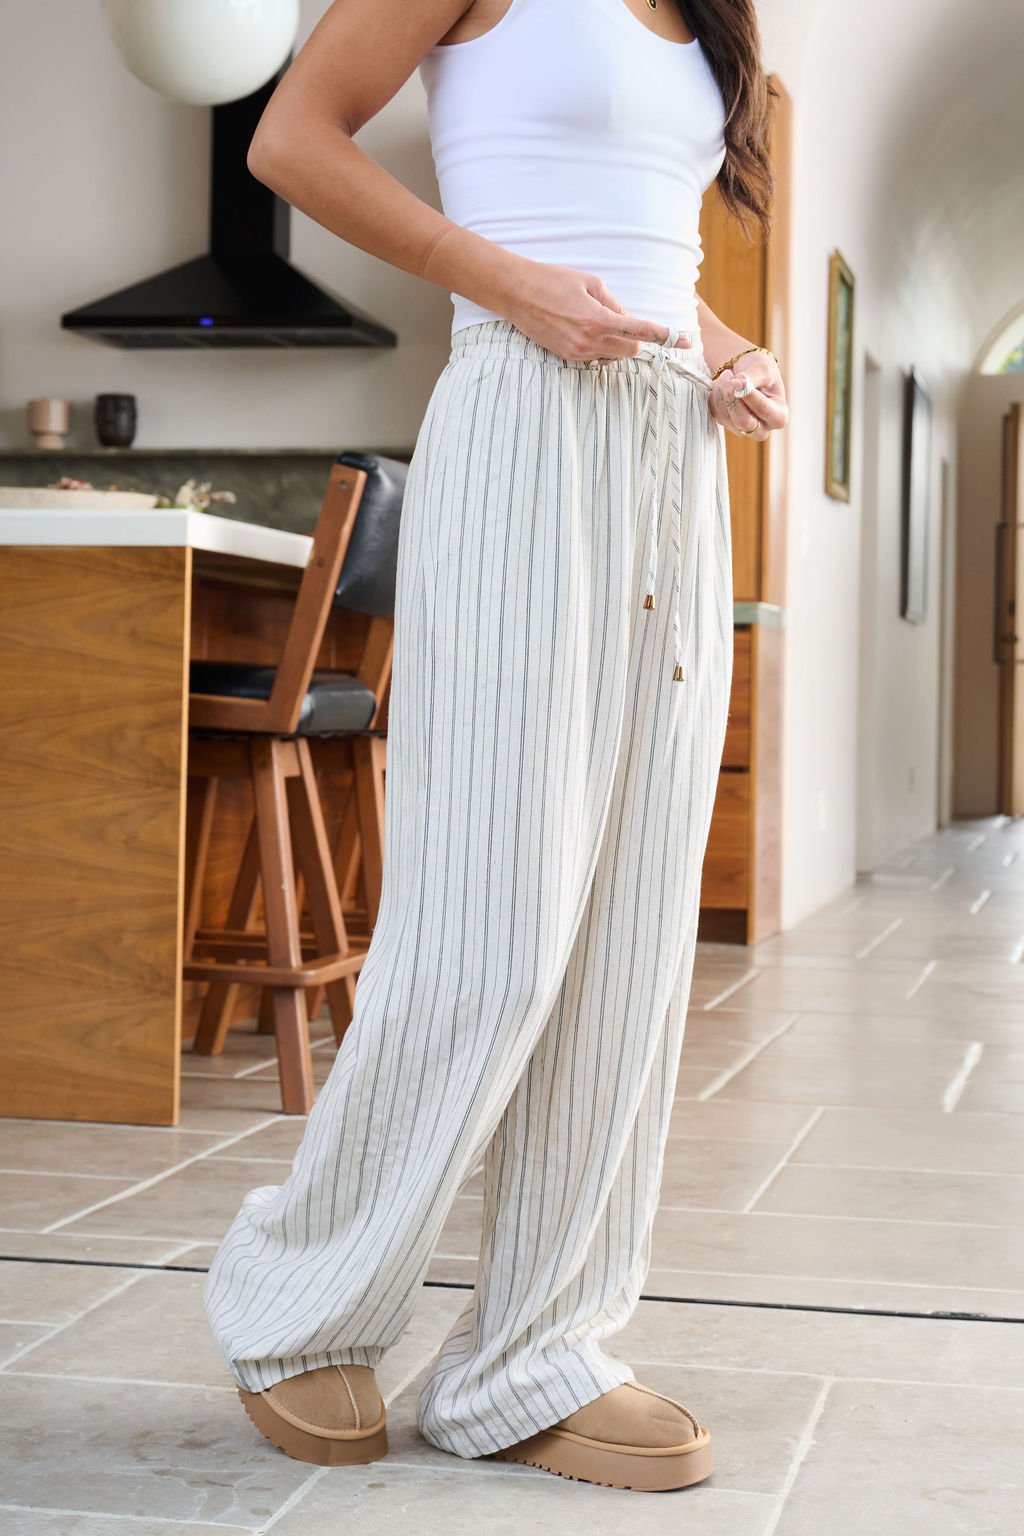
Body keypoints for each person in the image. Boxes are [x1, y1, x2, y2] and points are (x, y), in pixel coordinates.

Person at [203, 0, 788, 1494]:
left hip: (671, 446)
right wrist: (505, 283)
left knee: (632, 929)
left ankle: (540, 1347)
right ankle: (303, 1304)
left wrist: (728, 352)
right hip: (526, 420)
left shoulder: (704, 12)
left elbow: (651, 253)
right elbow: (288, 136)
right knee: (496, 924)